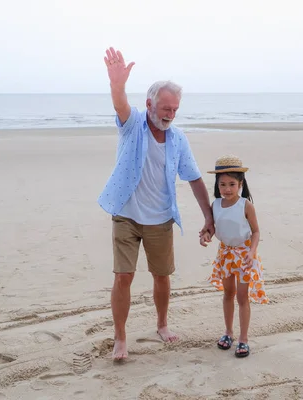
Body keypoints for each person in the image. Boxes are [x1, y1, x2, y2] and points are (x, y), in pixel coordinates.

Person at [98, 47, 214, 361]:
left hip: (161, 219)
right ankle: (120, 337)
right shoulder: (133, 124)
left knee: (162, 276)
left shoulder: (177, 139)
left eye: (175, 109)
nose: (170, 114)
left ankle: (162, 325)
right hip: (126, 215)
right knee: (123, 276)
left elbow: (193, 178)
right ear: (149, 104)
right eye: (165, 108)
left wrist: (209, 216)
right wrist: (116, 84)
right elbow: (120, 104)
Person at [199, 155, 268, 358]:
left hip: (244, 254)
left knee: (242, 297)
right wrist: (206, 235)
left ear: (240, 184)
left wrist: (251, 251)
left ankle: (243, 339)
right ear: (217, 185)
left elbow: (256, 231)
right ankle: (228, 332)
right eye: (222, 184)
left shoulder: (246, 205)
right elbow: (213, 228)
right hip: (226, 254)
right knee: (228, 294)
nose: (227, 189)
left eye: (232, 184)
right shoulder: (216, 205)